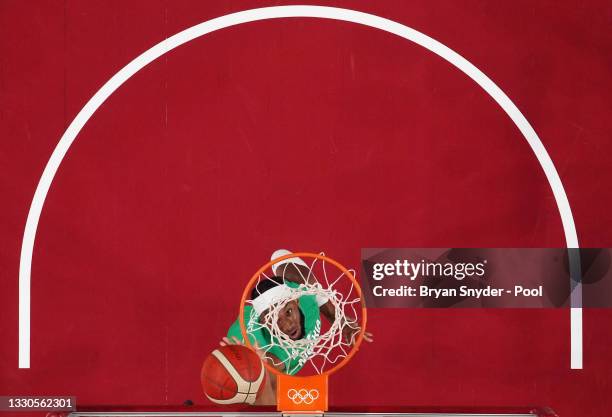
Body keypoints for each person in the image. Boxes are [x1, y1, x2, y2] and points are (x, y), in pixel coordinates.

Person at [221, 250, 373, 405]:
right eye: (273, 320)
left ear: (296, 301)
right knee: (261, 380)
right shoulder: (249, 335)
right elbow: (273, 364)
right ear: (262, 321)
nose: (287, 325)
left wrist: (343, 323)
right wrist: (254, 362)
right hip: (260, 374)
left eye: (288, 312)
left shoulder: (306, 292)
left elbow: (280, 255)